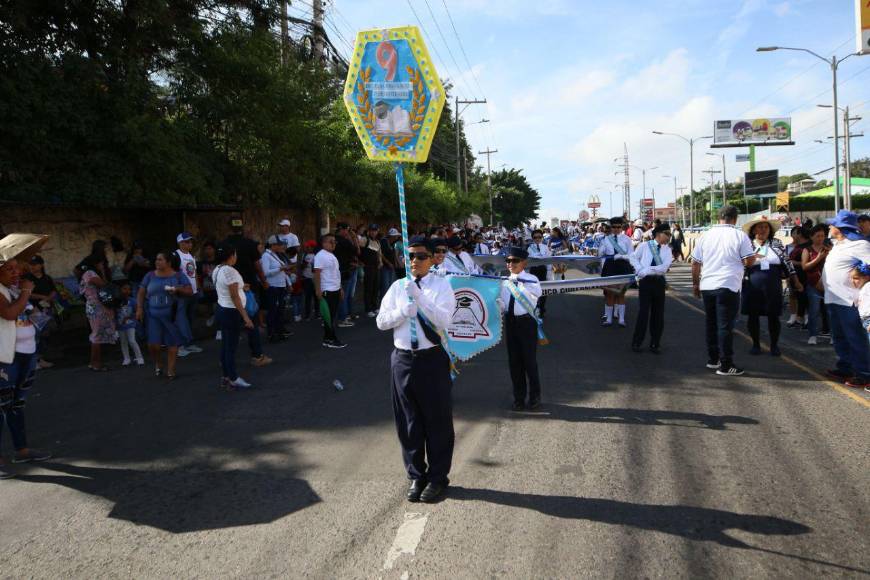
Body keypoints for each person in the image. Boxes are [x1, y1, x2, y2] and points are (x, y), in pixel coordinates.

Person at [376, 236, 455, 503]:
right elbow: (381, 322)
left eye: (421, 256)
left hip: (431, 359)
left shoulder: (442, 286)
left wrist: (420, 298)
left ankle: (438, 477)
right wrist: (401, 311)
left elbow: (444, 320)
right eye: (410, 256)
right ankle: (416, 475)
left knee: (437, 421)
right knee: (408, 422)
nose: (414, 261)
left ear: (432, 259)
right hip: (402, 360)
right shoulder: (398, 287)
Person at [0, 255, 52, 479]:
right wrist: (26, 292)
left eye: (17, 268)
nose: (16, 272)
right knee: (1, 406)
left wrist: (23, 294)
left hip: (26, 354)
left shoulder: (12, 289)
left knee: (17, 404)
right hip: (5, 357)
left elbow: (25, 313)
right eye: (9, 269)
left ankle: (21, 450)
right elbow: (9, 313)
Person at [691, 205, 756, 376]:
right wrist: (749, 260)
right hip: (728, 284)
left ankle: (713, 359)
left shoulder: (705, 235)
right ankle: (726, 364)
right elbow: (749, 261)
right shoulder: (740, 235)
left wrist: (695, 284)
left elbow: (695, 262)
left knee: (711, 323)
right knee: (725, 326)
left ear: (718, 217)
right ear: (735, 218)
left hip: (707, 285)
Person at [820, 210, 870, 389]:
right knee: (839, 336)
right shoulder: (838, 244)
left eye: (832, 225)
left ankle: (864, 373)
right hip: (833, 298)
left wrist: (861, 277)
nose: (829, 227)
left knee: (855, 337)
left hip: (849, 300)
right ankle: (846, 367)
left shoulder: (860, 244)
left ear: (840, 228)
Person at [741, 217, 801, 357]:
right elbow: (740, 264)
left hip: (772, 286)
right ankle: (756, 344)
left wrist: (796, 281)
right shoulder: (747, 245)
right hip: (752, 286)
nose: (763, 230)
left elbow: (787, 263)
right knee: (753, 316)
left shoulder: (776, 243)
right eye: (760, 227)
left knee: (773, 316)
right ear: (753, 230)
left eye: (766, 227)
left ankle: (774, 345)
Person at [136, 252, 191, 380]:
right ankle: (159, 362)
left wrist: (178, 289)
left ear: (169, 262)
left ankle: (171, 370)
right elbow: (141, 292)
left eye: (160, 260)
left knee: (172, 342)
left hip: (172, 314)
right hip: (153, 315)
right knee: (153, 345)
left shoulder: (178, 275)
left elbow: (189, 291)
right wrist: (139, 308)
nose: (157, 262)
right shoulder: (150, 275)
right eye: (156, 259)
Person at [500, 246, 543, 411]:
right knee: (514, 362)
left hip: (526, 323)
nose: (511, 264)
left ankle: (535, 397)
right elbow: (503, 303)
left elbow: (535, 297)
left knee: (529, 362)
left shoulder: (532, 279)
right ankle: (519, 398)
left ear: (524, 262)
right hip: (511, 322)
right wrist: (499, 305)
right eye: (508, 261)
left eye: (515, 261)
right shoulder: (504, 281)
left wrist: (522, 285)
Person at [212, 244, 258, 389]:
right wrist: (246, 317)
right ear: (231, 256)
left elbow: (228, 289)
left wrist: (241, 287)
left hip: (223, 309)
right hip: (231, 312)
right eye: (235, 254)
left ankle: (226, 377)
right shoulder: (230, 271)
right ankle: (232, 378)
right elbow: (234, 296)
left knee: (226, 345)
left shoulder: (218, 269)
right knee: (230, 347)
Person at [630, 224, 673, 353]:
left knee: (658, 314)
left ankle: (655, 343)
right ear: (658, 234)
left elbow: (664, 268)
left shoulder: (667, 250)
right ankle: (637, 342)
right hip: (645, 282)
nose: (669, 237)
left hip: (659, 282)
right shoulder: (644, 246)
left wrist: (647, 270)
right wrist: (639, 269)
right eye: (667, 234)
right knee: (643, 312)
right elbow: (633, 258)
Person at [78, 252, 116, 372]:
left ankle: (93, 362)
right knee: (97, 335)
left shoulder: (89, 273)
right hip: (96, 306)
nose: (102, 265)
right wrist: (103, 272)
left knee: (97, 334)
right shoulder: (90, 273)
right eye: (101, 263)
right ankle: (96, 363)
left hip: (95, 306)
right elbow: (103, 284)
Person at [598, 217, 634, 327]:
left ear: (622, 227)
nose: (616, 229)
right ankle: (609, 319)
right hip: (610, 267)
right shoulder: (606, 239)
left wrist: (621, 256)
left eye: (619, 227)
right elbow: (600, 254)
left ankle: (621, 320)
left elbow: (631, 255)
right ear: (611, 227)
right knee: (609, 293)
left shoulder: (627, 239)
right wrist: (601, 249)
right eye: (614, 227)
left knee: (621, 294)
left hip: (623, 266)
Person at [25, 255, 57, 369]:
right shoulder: (27, 279)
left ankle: (40, 358)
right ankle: (36, 360)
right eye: (31, 265)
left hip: (47, 309)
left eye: (35, 264)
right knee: (37, 334)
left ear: (41, 265)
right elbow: (26, 294)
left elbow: (53, 290)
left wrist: (50, 297)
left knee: (47, 333)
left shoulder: (47, 278)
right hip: (34, 310)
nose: (32, 267)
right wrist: (42, 297)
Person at [314, 233, 346, 348]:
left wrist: (340, 288)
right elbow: (317, 274)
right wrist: (318, 290)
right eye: (331, 242)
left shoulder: (331, 255)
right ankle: (331, 340)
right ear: (324, 243)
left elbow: (336, 274)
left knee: (332, 316)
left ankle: (327, 339)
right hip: (327, 290)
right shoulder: (320, 256)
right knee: (328, 317)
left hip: (335, 289)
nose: (334, 244)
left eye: (335, 242)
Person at [174, 232, 203, 357]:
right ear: (180, 243)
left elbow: (194, 273)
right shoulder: (176, 255)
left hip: (193, 292)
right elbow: (173, 273)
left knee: (190, 318)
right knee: (181, 319)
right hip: (182, 293)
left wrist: (198, 287)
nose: (189, 244)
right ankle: (179, 345)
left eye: (190, 241)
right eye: (186, 241)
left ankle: (188, 343)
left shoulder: (191, 256)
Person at [802, 224, 830, 345]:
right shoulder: (807, 250)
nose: (820, 238)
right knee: (814, 310)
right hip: (813, 284)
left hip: (829, 284)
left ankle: (833, 335)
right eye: (817, 236)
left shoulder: (829, 248)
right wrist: (819, 258)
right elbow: (804, 266)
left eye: (822, 236)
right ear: (811, 237)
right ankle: (813, 335)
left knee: (829, 311)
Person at [261, 235, 292, 342]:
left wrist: (287, 279)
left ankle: (279, 332)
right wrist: (281, 268)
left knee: (279, 311)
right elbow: (265, 272)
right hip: (273, 287)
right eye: (279, 245)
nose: (281, 246)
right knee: (273, 311)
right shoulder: (266, 256)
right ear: (273, 245)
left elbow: (281, 270)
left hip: (280, 286)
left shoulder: (275, 255)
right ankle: (271, 334)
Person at [334, 222, 360, 327]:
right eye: (347, 230)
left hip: (334, 271)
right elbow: (357, 251)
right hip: (344, 271)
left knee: (336, 295)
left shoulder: (331, 239)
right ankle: (342, 318)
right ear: (343, 230)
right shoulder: (345, 241)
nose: (348, 232)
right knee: (344, 295)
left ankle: (337, 317)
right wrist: (354, 239)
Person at [786, 226, 810, 329]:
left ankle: (804, 319)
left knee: (805, 298)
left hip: (805, 277)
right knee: (798, 297)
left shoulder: (807, 246)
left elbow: (808, 263)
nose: (792, 235)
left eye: (794, 233)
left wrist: (793, 262)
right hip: (795, 276)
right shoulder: (797, 246)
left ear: (799, 234)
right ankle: (798, 318)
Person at [116, 281, 144, 366]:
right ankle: (126, 358)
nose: (127, 291)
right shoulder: (116, 301)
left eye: (129, 289)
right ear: (120, 289)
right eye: (124, 289)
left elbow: (137, 312)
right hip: (120, 325)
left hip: (130, 324)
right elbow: (114, 313)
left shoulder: (133, 301)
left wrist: (130, 317)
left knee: (132, 340)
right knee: (123, 342)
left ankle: (139, 357)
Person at [527, 230, 552, 318]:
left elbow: (549, 261)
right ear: (532, 238)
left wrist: (549, 273)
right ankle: (535, 307)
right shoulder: (530, 248)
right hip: (533, 270)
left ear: (542, 237)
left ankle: (542, 308)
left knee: (543, 290)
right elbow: (528, 261)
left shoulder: (545, 247)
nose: (537, 239)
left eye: (539, 237)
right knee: (533, 290)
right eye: (535, 237)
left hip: (542, 270)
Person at [361, 224, 383, 317]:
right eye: (372, 230)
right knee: (368, 289)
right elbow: (358, 251)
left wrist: (380, 262)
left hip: (376, 268)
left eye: (375, 230)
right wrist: (360, 262)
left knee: (376, 288)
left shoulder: (377, 241)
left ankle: (375, 307)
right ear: (369, 231)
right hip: (367, 267)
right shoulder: (364, 240)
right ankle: (368, 309)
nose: (373, 232)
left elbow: (379, 253)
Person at [197, 241, 219, 335]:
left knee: (217, 309)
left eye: (210, 248)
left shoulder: (218, 262)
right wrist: (199, 288)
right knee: (205, 310)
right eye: (206, 249)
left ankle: (218, 330)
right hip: (205, 290)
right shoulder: (200, 263)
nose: (207, 251)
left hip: (217, 290)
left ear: (214, 250)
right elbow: (197, 277)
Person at [381, 228, 400, 301]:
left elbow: (393, 254)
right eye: (395, 236)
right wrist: (388, 263)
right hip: (385, 267)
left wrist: (395, 263)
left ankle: (389, 301)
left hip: (391, 267)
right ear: (391, 236)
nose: (396, 237)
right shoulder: (384, 242)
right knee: (385, 286)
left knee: (390, 285)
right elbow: (381, 254)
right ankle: (383, 302)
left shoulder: (392, 243)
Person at [300, 240, 317, 320]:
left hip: (315, 279)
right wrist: (304, 264)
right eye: (306, 247)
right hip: (307, 279)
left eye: (308, 247)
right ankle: (307, 314)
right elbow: (301, 267)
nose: (306, 248)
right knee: (308, 297)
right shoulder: (304, 255)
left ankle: (317, 313)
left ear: (313, 247)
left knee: (316, 297)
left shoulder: (317, 255)